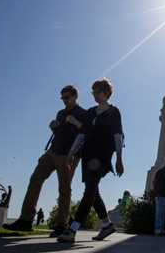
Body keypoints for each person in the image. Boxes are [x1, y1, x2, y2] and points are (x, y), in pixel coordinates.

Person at [4, 85, 87, 237]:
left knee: (64, 188)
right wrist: (54, 127)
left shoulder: (83, 113)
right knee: (35, 179)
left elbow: (86, 134)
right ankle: (25, 220)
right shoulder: (61, 113)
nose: (64, 101)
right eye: (62, 98)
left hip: (69, 155)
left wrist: (76, 122)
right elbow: (61, 132)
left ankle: (62, 225)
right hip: (52, 151)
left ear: (75, 96)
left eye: (67, 97)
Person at [58, 78, 125, 243]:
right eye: (93, 92)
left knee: (89, 192)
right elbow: (82, 134)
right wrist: (71, 153)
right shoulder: (90, 112)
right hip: (87, 155)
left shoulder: (114, 112)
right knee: (92, 191)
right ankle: (107, 225)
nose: (94, 94)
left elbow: (118, 136)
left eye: (97, 91)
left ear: (105, 93)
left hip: (102, 156)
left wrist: (119, 158)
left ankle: (72, 230)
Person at [152, 158, 165, 235]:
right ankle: (158, 229)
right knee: (161, 213)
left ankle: (160, 229)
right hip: (162, 194)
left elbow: (154, 182)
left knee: (161, 213)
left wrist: (155, 191)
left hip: (160, 194)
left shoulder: (160, 171)